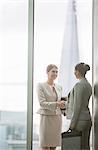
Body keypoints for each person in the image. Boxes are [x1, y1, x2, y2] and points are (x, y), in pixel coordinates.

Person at [37, 64, 65, 150]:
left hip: (57, 118)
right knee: (45, 145)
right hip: (46, 118)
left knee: (54, 145)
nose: (55, 74)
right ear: (47, 72)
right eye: (53, 71)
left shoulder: (59, 87)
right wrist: (57, 104)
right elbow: (42, 103)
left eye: (57, 72)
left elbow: (60, 101)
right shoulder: (41, 85)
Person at [66, 62, 92, 150]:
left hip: (80, 121)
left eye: (75, 70)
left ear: (78, 72)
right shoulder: (88, 85)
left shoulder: (79, 85)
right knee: (85, 145)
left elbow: (77, 107)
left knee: (78, 146)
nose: (74, 73)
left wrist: (72, 125)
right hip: (88, 119)